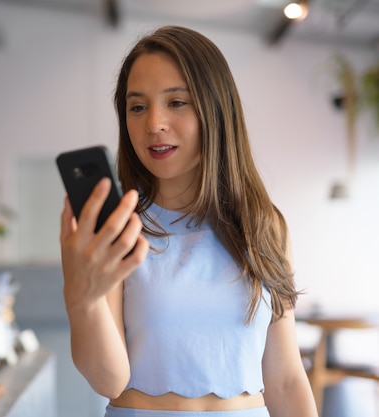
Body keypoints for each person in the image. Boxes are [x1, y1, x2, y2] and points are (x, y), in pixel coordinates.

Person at [59, 26, 319, 417]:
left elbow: (285, 379)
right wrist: (82, 299)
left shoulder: (263, 225)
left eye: (177, 102)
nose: (154, 123)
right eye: (137, 107)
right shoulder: (118, 229)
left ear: (216, 109)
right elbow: (108, 379)